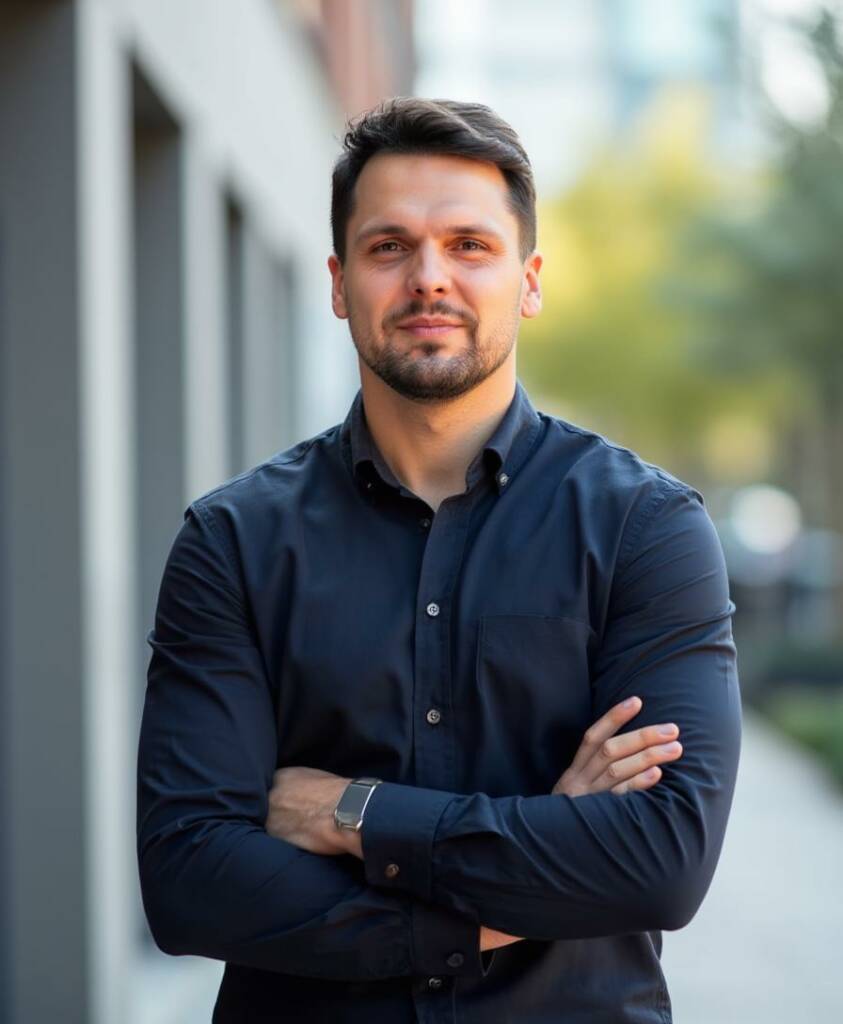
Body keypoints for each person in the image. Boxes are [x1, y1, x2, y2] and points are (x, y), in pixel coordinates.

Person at [136, 97, 742, 1023]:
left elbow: (658, 862)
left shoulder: (645, 528)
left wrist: (354, 813)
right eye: (389, 248)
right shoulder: (233, 540)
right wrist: (524, 875)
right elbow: (189, 878)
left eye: (468, 245)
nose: (429, 279)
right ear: (339, 284)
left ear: (527, 279)